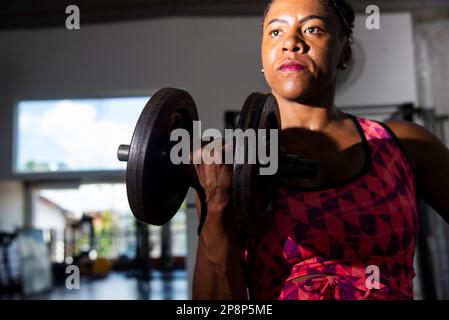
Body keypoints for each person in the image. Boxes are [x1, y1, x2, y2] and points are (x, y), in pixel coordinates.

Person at [191, 0, 449, 300]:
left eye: (313, 29)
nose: (291, 43)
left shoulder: (407, 144)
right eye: (275, 32)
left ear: (345, 53)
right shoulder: (230, 167)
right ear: (262, 55)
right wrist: (218, 201)